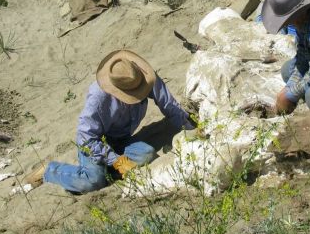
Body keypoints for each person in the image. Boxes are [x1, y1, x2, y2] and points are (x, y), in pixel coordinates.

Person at [24, 50, 194, 193]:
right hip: (95, 144)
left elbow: (168, 103)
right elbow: (85, 138)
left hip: (120, 140)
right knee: (93, 182)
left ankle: (110, 171)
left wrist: (188, 127)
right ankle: (50, 171)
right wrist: (116, 160)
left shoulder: (141, 75)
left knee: (147, 154)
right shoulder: (98, 98)